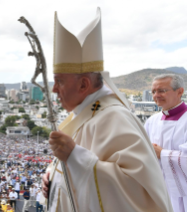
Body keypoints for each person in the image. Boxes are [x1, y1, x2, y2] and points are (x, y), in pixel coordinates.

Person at [41, 8, 173, 212]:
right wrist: (52, 177)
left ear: (84, 85)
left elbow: (136, 192)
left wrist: (75, 157)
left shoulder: (113, 117)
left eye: (59, 81)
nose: (54, 89)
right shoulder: (84, 115)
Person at [144, 74, 187, 212]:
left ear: (180, 91)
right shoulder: (152, 121)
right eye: (153, 91)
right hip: (158, 190)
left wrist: (162, 154)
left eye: (162, 90)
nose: (156, 95)